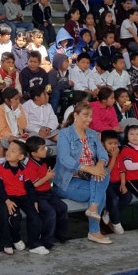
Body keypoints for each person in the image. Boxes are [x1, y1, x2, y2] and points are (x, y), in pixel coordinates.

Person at [53, 102, 112, 244]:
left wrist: (99, 164)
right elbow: (64, 158)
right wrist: (90, 168)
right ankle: (94, 231)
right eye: (85, 115)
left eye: (91, 116)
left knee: (104, 171)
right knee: (100, 194)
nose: (89, 119)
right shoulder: (64, 134)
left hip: (88, 179)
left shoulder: (92, 134)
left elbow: (103, 153)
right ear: (75, 115)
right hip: (66, 182)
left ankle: (93, 209)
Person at [0, 140, 49, 255]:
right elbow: (0, 188)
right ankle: (15, 238)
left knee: (35, 217)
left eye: (13, 151)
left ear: (20, 157)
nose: (8, 152)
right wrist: (7, 201)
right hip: (10, 198)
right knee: (15, 217)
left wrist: (34, 200)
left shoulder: (24, 168)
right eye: (8, 149)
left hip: (24, 197)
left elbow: (29, 187)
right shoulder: (0, 168)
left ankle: (34, 245)